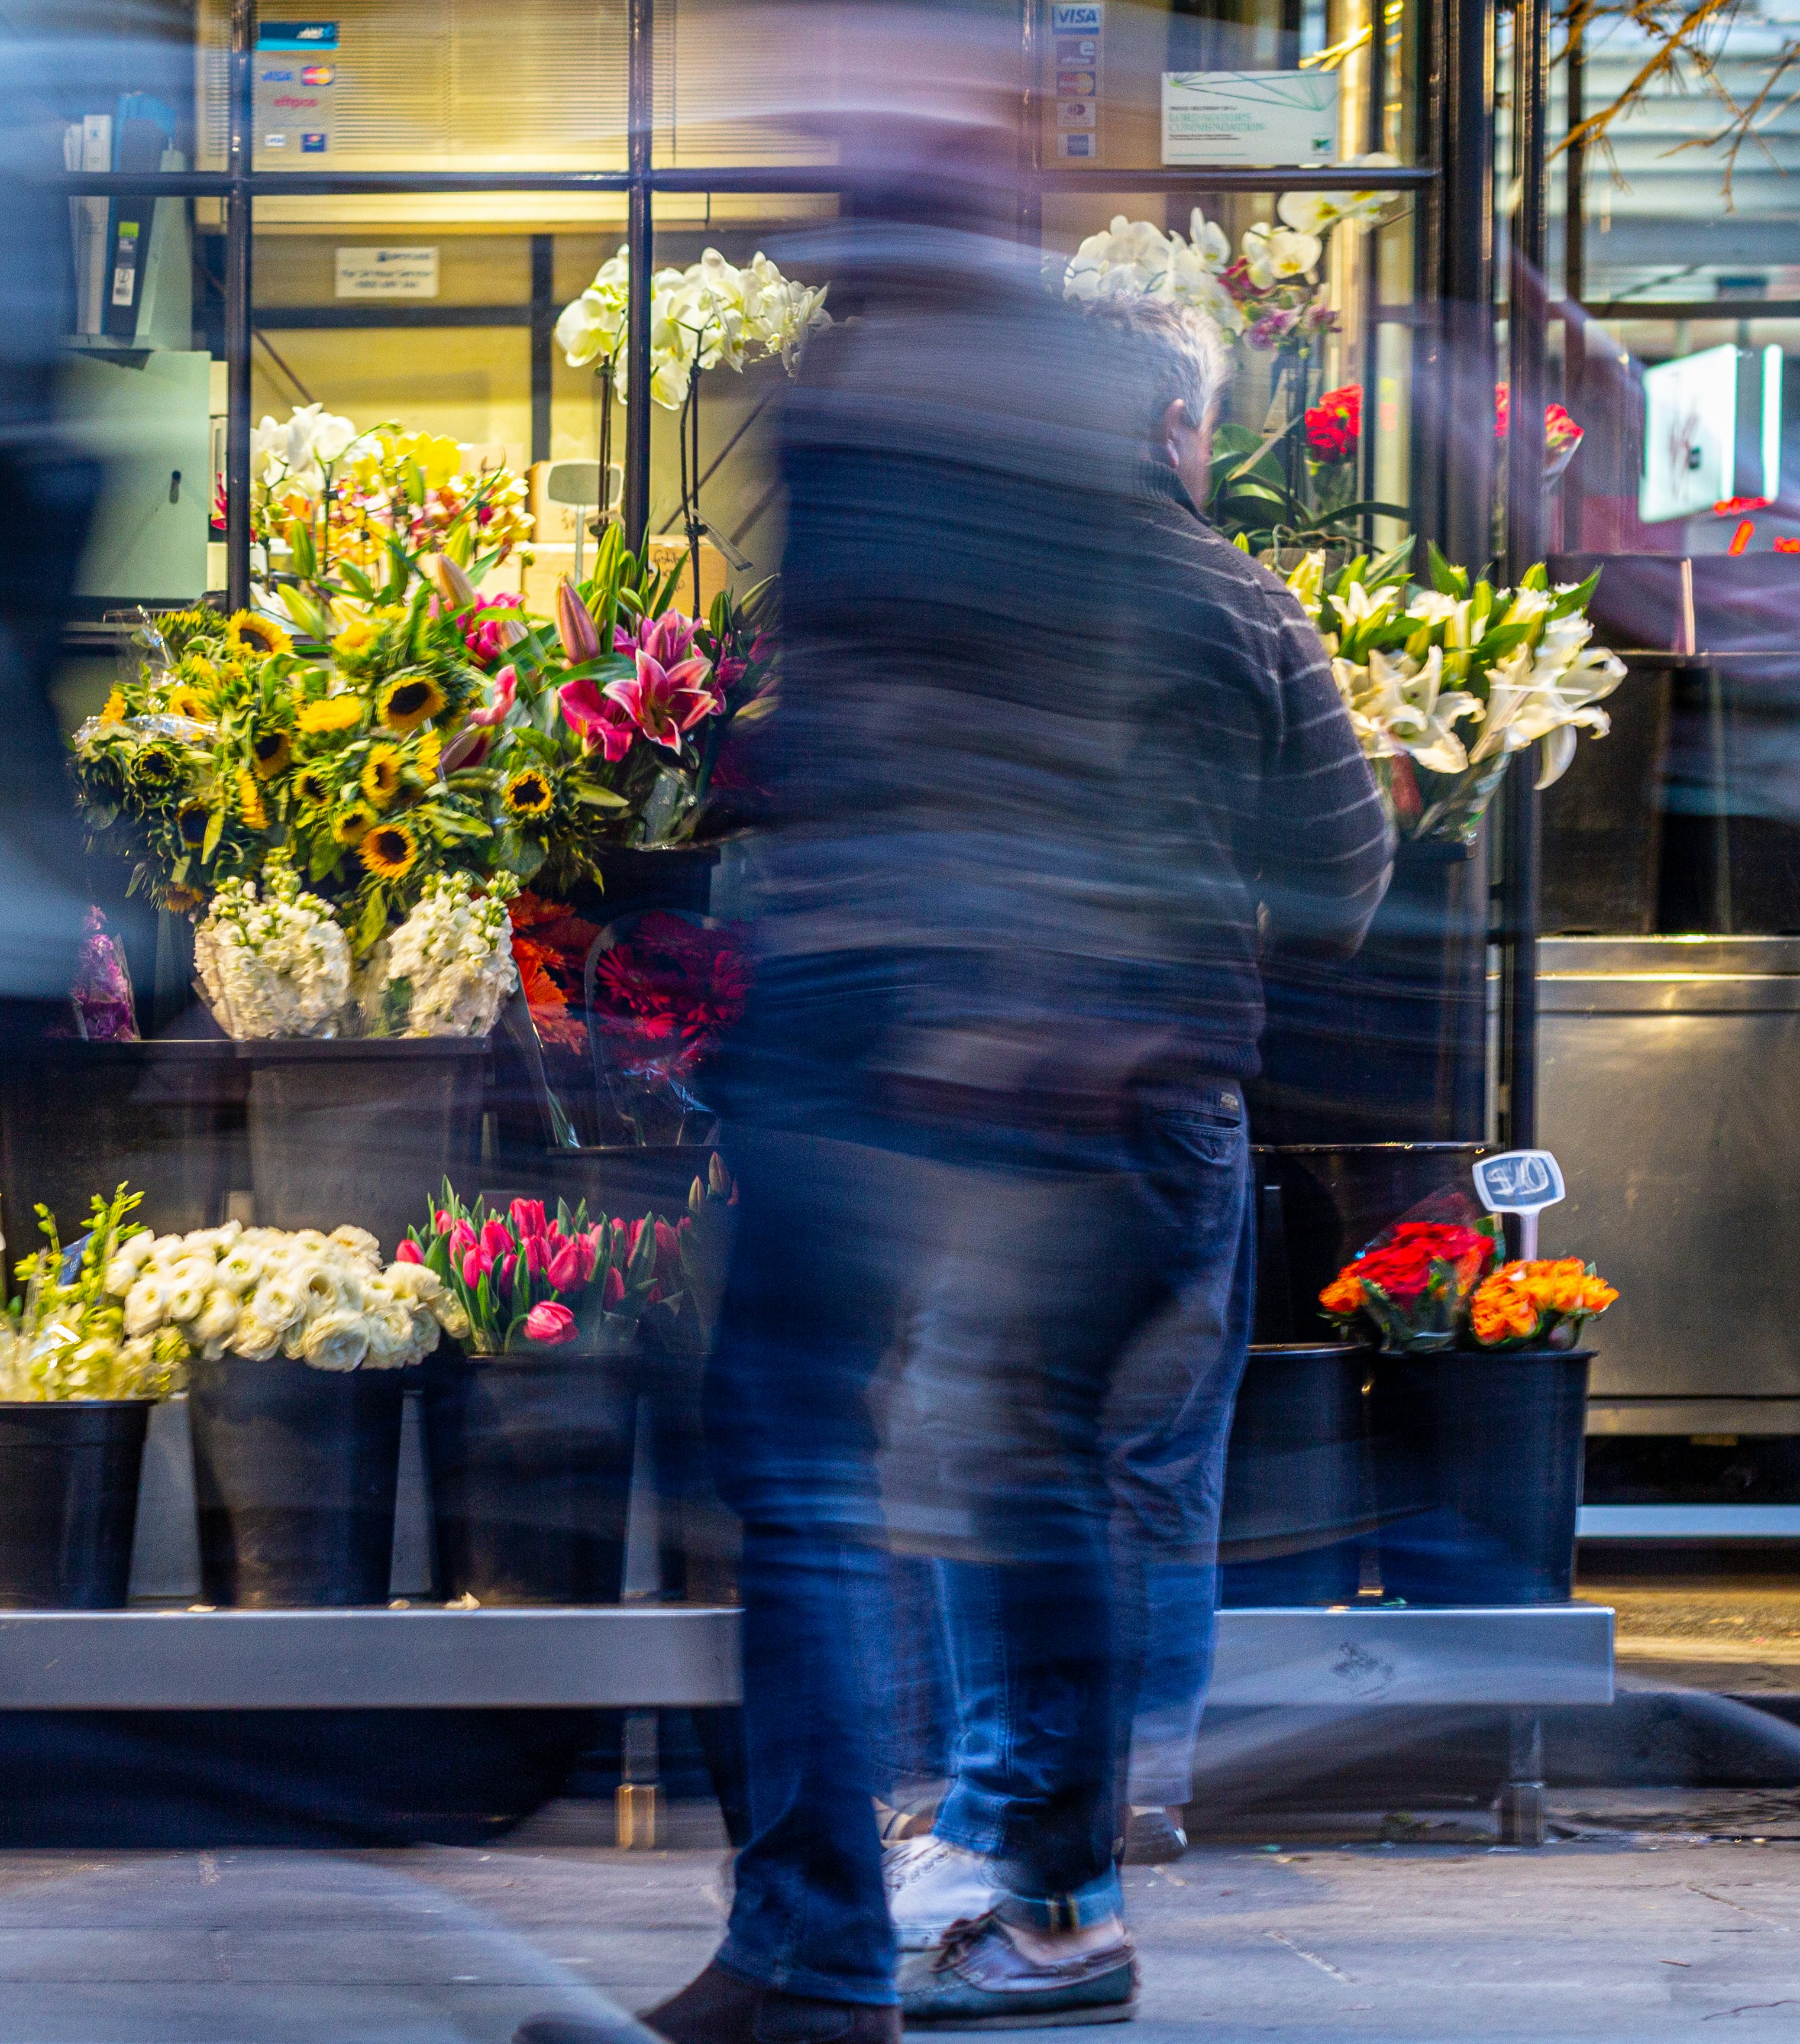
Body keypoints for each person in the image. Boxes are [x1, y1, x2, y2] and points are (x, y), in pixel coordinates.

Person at [523, 244, 1388, 2039]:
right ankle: (1052, 1870)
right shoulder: (1247, 605)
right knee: (1104, 1478)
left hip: (1001, 1093)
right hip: (1167, 1109)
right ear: (1174, 425)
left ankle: (1015, 1880)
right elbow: (1348, 869)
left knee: (975, 1474)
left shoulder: (1017, 586)